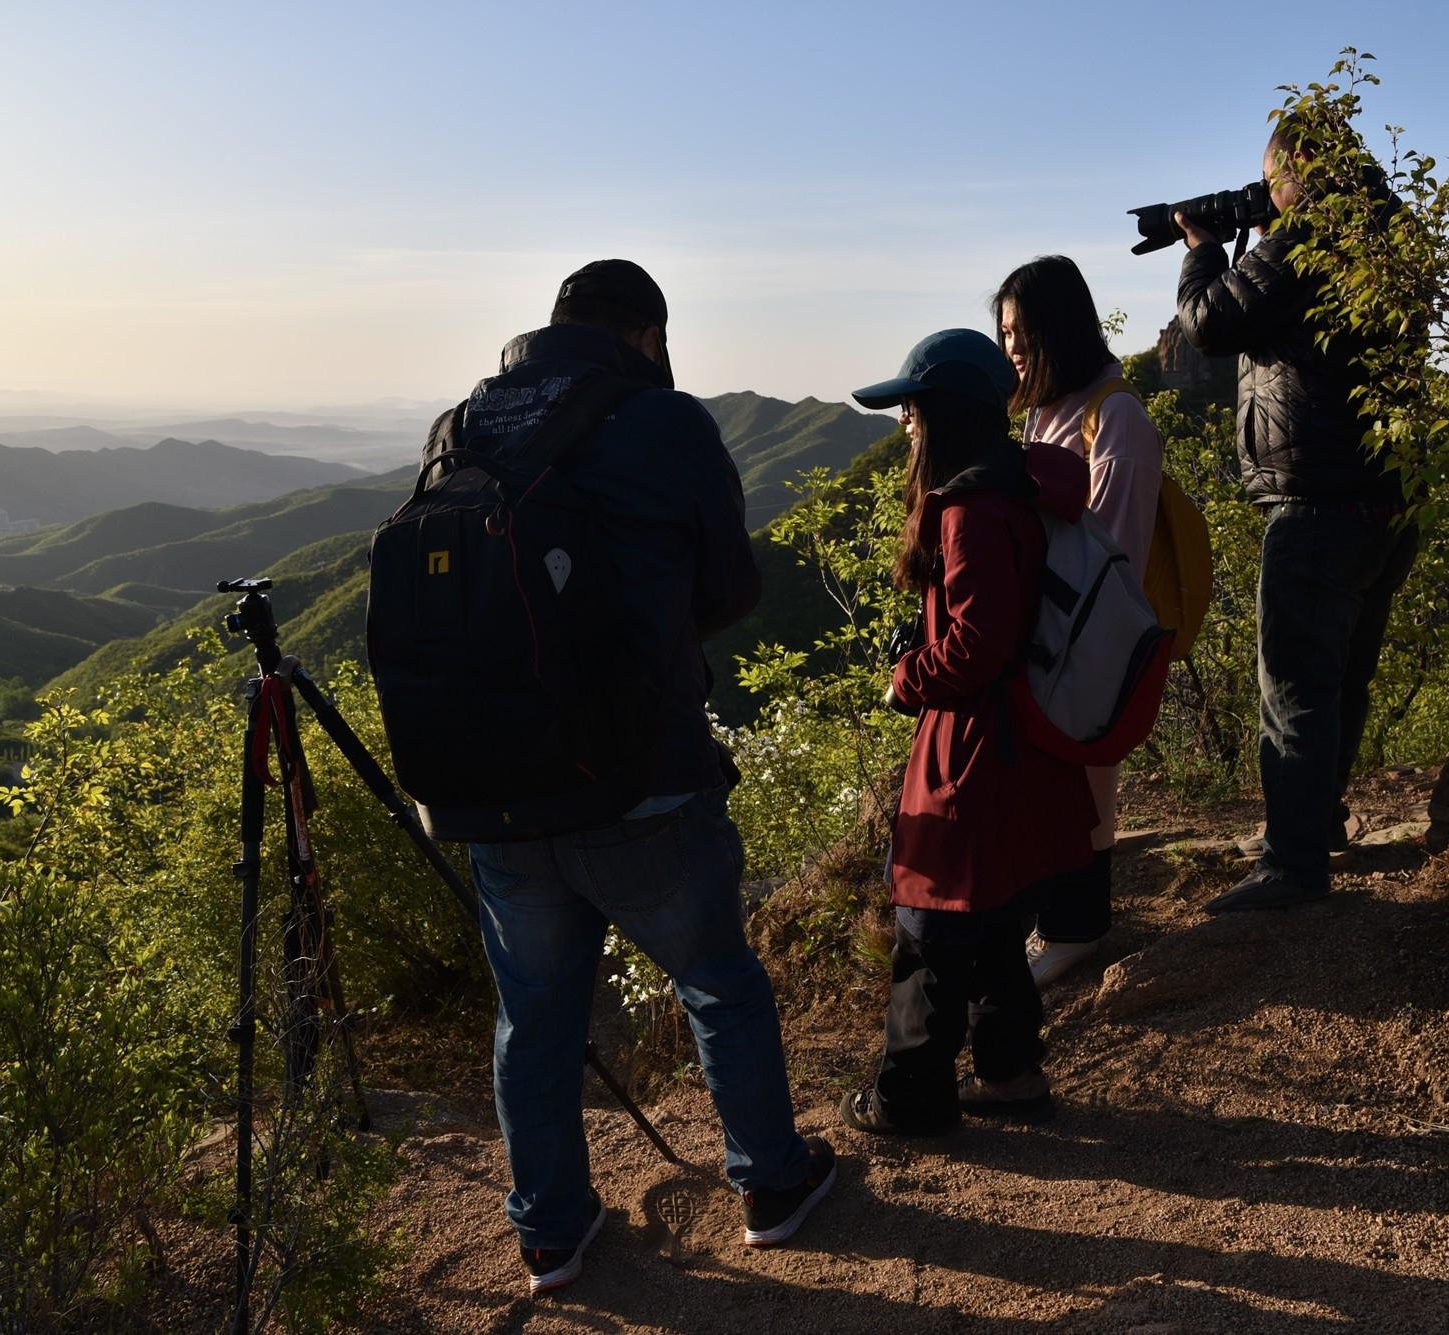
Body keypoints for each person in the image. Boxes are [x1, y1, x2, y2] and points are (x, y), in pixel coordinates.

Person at [449, 260, 836, 1293]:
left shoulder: (464, 425)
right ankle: (770, 1186)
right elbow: (729, 586)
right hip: (643, 774)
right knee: (717, 981)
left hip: (496, 786)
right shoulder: (666, 423)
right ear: (649, 336)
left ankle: (548, 1231)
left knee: (532, 1016)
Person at [835, 329, 1098, 1135]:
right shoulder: (1014, 488)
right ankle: (1010, 1073)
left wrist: (905, 678)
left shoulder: (973, 509)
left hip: (975, 751)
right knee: (991, 925)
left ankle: (909, 1097)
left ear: (944, 412)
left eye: (911, 408)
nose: (904, 423)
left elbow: (979, 643)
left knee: (933, 926)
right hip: (1022, 749)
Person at [1172, 112, 1421, 913]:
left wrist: (1204, 251)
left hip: (1316, 499)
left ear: (1297, 167)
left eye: (1274, 173)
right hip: (1389, 493)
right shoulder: (1391, 231)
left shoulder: (1314, 231)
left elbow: (1211, 322)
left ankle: (1291, 863)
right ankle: (1317, 823)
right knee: (1343, 674)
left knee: (1294, 684)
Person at [995, 255, 1165, 986]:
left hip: (1089, 635)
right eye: (1003, 335)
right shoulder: (1046, 408)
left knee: (1088, 777)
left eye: (1021, 334)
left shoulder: (1116, 416)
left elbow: (1115, 551)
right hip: (1046, 630)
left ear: (1058, 329)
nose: (1011, 350)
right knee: (1054, 782)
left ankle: (1079, 928)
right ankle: (1058, 919)